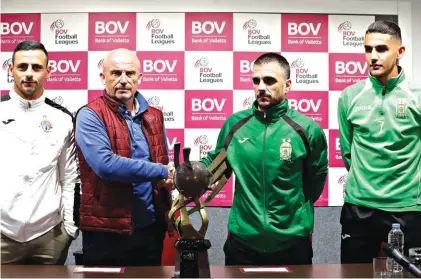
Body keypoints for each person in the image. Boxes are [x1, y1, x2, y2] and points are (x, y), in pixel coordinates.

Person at [200, 52, 328, 265]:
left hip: (292, 242)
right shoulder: (235, 125)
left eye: (269, 80)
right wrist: (190, 172)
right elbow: (215, 167)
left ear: (287, 85)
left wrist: (295, 212)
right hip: (243, 243)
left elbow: (316, 180)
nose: (261, 87)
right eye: (256, 80)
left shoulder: (307, 130)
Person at [75, 48, 175, 266]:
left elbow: (163, 164)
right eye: (115, 73)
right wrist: (161, 171)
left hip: (149, 229)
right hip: (107, 231)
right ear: (103, 77)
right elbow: (106, 165)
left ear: (139, 78)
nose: (123, 80)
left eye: (129, 74)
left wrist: (167, 183)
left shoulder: (155, 115)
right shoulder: (90, 114)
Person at [338, 20, 421, 264]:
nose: (373, 56)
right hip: (359, 207)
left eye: (382, 49)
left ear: (400, 52)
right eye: (368, 49)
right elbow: (348, 153)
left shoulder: (417, 96)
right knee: (354, 275)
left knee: (408, 277)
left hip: (407, 208)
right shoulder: (350, 96)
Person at [0, 40, 79, 264]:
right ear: (11, 70)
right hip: (2, 233)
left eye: (36, 67)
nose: (29, 74)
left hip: (49, 236)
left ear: (48, 72)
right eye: (22, 67)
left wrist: (70, 230)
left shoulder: (63, 119)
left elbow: (70, 177)